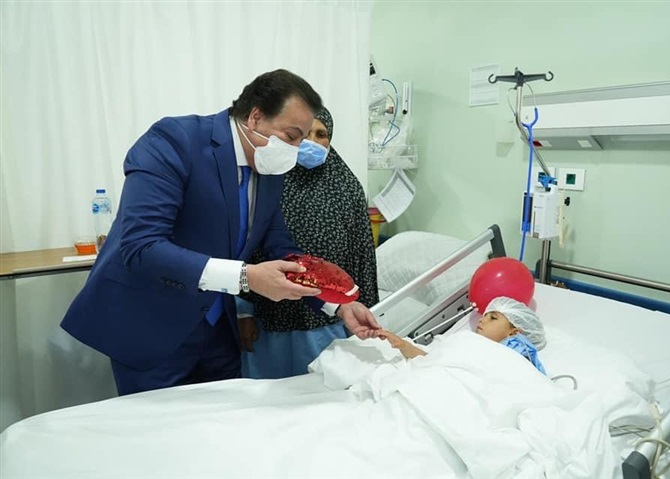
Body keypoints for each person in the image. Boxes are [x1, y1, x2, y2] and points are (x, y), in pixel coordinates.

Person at [61, 69, 381, 396]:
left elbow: (280, 248)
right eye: (291, 136)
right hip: (153, 324)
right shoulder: (175, 141)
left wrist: (336, 304)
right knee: (159, 425)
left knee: (226, 419)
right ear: (256, 117)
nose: (297, 149)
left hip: (216, 329)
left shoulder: (268, 167)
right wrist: (245, 277)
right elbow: (142, 246)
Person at [238, 106, 380, 378]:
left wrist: (364, 309)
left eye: (321, 134)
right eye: (304, 134)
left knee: (323, 391)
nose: (312, 142)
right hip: (270, 314)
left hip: (328, 319)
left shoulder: (347, 188)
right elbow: (246, 249)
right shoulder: (267, 182)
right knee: (268, 394)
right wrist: (243, 312)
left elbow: (362, 255)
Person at [379, 296, 547, 374]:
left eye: (493, 318)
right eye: (485, 315)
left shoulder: (515, 359)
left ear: (514, 332)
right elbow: (432, 361)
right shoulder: (466, 341)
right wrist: (403, 345)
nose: (483, 319)